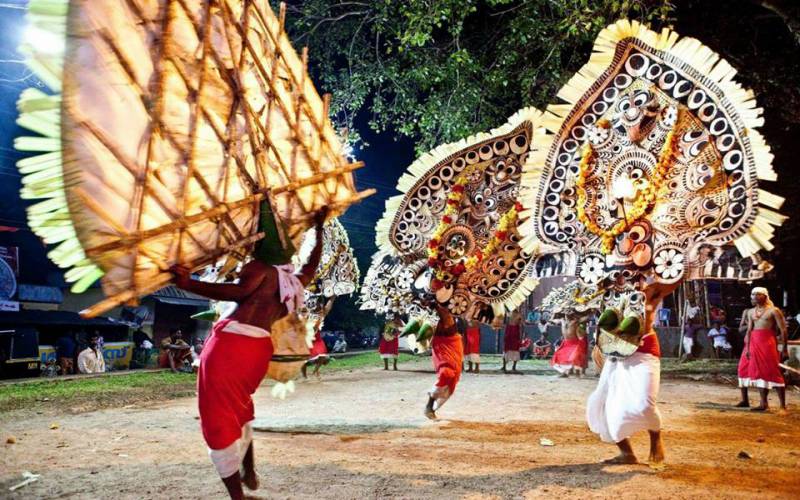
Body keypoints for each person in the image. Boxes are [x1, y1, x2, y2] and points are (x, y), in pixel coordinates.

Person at [171, 207, 327, 500]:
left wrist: (188, 283)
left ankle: (237, 496)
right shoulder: (294, 281)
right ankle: (249, 471)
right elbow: (312, 263)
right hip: (258, 350)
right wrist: (318, 228)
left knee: (217, 416)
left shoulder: (259, 268)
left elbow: (238, 292)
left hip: (231, 346)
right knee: (240, 407)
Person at [587, 280, 677, 467]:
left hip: (644, 353)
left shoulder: (650, 294)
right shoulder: (611, 290)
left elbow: (674, 279)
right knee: (604, 403)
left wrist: (657, 274)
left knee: (645, 404)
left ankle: (656, 439)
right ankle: (626, 453)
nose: (633, 278)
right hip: (616, 353)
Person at [736, 287, 788, 413]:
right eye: (753, 294)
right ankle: (764, 403)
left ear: (765, 296)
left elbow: (783, 330)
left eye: (757, 294)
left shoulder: (774, 311)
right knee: (759, 372)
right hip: (754, 343)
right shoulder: (750, 312)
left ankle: (782, 406)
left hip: (767, 344)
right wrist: (748, 348)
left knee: (772, 371)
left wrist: (784, 349)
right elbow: (749, 330)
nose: (754, 297)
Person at [424, 300, 464, 420]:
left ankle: (431, 407)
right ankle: (430, 404)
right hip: (442, 346)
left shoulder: (452, 310)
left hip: (452, 344)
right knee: (446, 373)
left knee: (451, 376)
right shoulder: (433, 316)